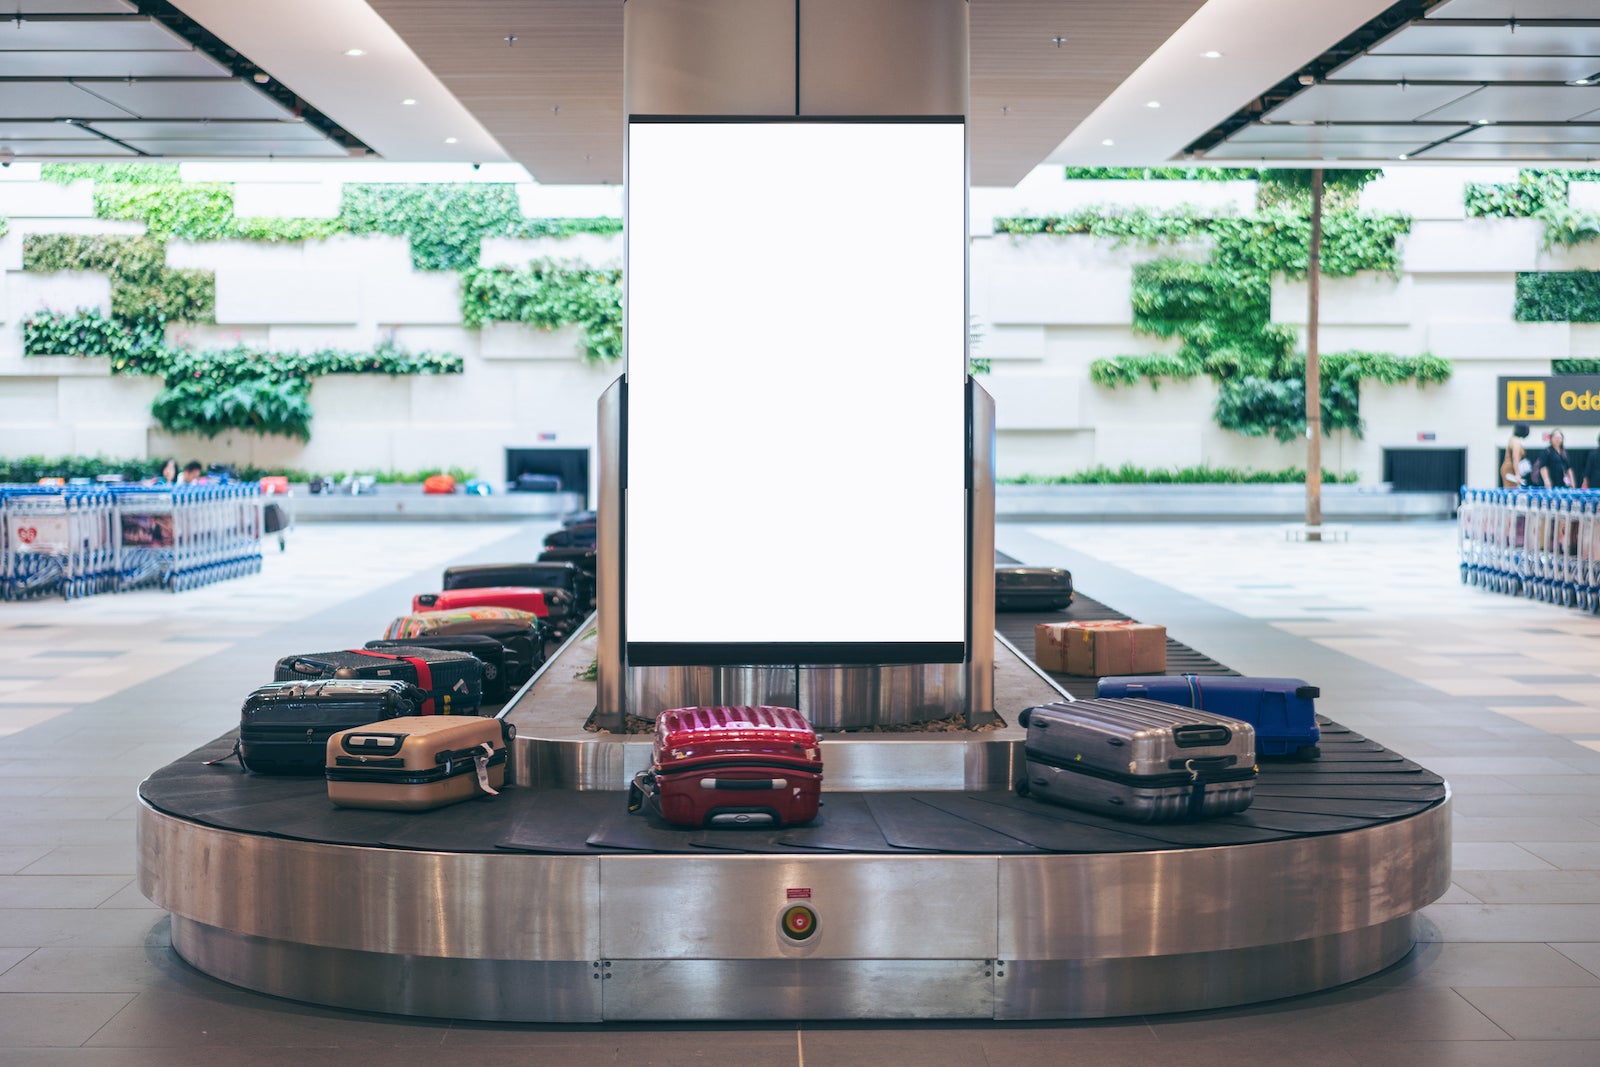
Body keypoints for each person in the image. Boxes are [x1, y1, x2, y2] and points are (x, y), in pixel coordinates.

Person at [1501, 423, 1531, 488]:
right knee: (1511, 492)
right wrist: (1517, 474)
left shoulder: (1512, 439)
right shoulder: (1516, 442)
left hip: (1509, 468)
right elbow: (1515, 458)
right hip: (1510, 469)